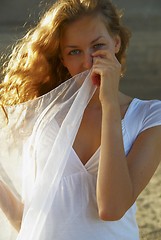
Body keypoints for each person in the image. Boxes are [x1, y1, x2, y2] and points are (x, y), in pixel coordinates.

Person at [0, 0, 161, 239]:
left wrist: (109, 104)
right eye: (74, 51)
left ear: (116, 43)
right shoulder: (42, 119)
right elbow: (29, 221)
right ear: (63, 60)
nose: (88, 62)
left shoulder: (150, 116)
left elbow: (111, 208)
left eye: (98, 46)